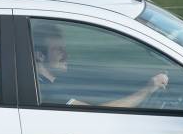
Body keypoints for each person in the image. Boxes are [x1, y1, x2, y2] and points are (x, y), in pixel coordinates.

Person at [32, 28, 169, 109]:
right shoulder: (46, 92)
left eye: (65, 48)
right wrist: (147, 89)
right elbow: (100, 114)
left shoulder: (45, 84)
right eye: (58, 50)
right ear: (40, 55)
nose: (66, 55)